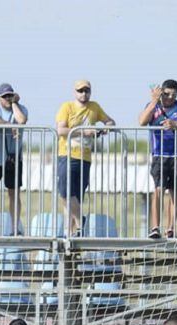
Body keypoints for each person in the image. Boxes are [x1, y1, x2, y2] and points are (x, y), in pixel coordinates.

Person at [139, 79, 177, 239]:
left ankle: (170, 228)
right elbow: (142, 121)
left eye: (174, 95)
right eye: (166, 94)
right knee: (158, 190)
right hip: (159, 155)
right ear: (160, 93)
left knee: (174, 193)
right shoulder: (153, 106)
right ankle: (155, 227)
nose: (170, 98)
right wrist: (153, 101)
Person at [55, 80, 115, 237]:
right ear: (74, 92)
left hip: (85, 157)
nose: (84, 94)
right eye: (80, 91)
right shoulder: (66, 107)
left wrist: (104, 128)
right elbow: (60, 130)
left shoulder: (95, 107)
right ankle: (81, 222)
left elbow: (110, 121)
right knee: (65, 193)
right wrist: (83, 131)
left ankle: (72, 233)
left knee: (76, 196)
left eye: (86, 91)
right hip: (67, 155)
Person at [0, 83, 29, 235]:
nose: (7, 99)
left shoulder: (21, 108)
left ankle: (15, 228)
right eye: (5, 96)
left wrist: (15, 103)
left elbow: (22, 120)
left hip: (14, 159)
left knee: (14, 194)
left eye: (10, 95)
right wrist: (9, 125)